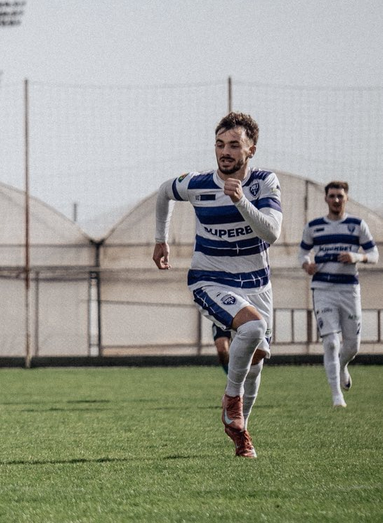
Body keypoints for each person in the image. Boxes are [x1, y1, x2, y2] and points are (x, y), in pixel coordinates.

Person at [153, 112, 281, 459]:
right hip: (209, 279)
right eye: (220, 144)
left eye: (234, 145)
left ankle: (240, 433)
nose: (225, 152)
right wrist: (161, 239)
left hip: (257, 284)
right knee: (253, 327)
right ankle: (231, 398)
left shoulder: (264, 182)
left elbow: (272, 233)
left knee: (256, 363)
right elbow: (164, 192)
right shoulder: (197, 184)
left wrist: (241, 200)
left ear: (251, 150)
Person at [298, 181, 377, 407]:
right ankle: (336, 396)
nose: (336, 200)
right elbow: (302, 253)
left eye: (340, 196)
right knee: (331, 342)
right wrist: (306, 265)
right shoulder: (314, 226)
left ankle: (342, 366)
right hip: (323, 289)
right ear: (325, 198)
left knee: (352, 346)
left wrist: (357, 257)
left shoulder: (357, 225)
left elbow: (374, 255)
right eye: (332, 196)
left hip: (349, 290)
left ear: (346, 198)